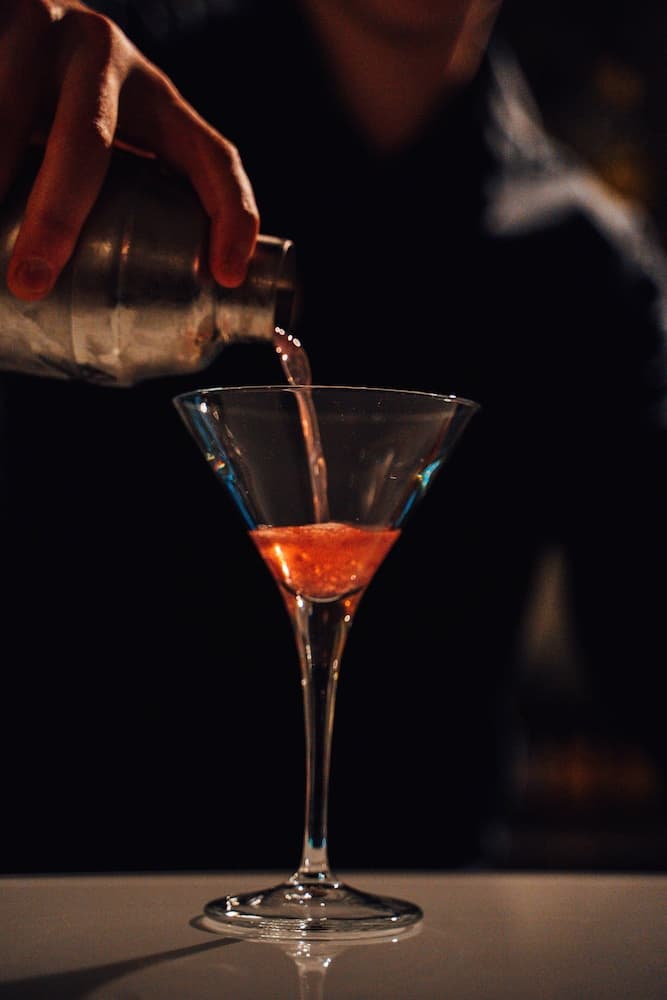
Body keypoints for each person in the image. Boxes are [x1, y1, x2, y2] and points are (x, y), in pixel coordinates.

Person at [1, 0, 665, 875]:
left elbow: (643, 642)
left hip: (428, 917)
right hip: (69, 880)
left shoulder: (589, 267)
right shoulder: (98, 129)